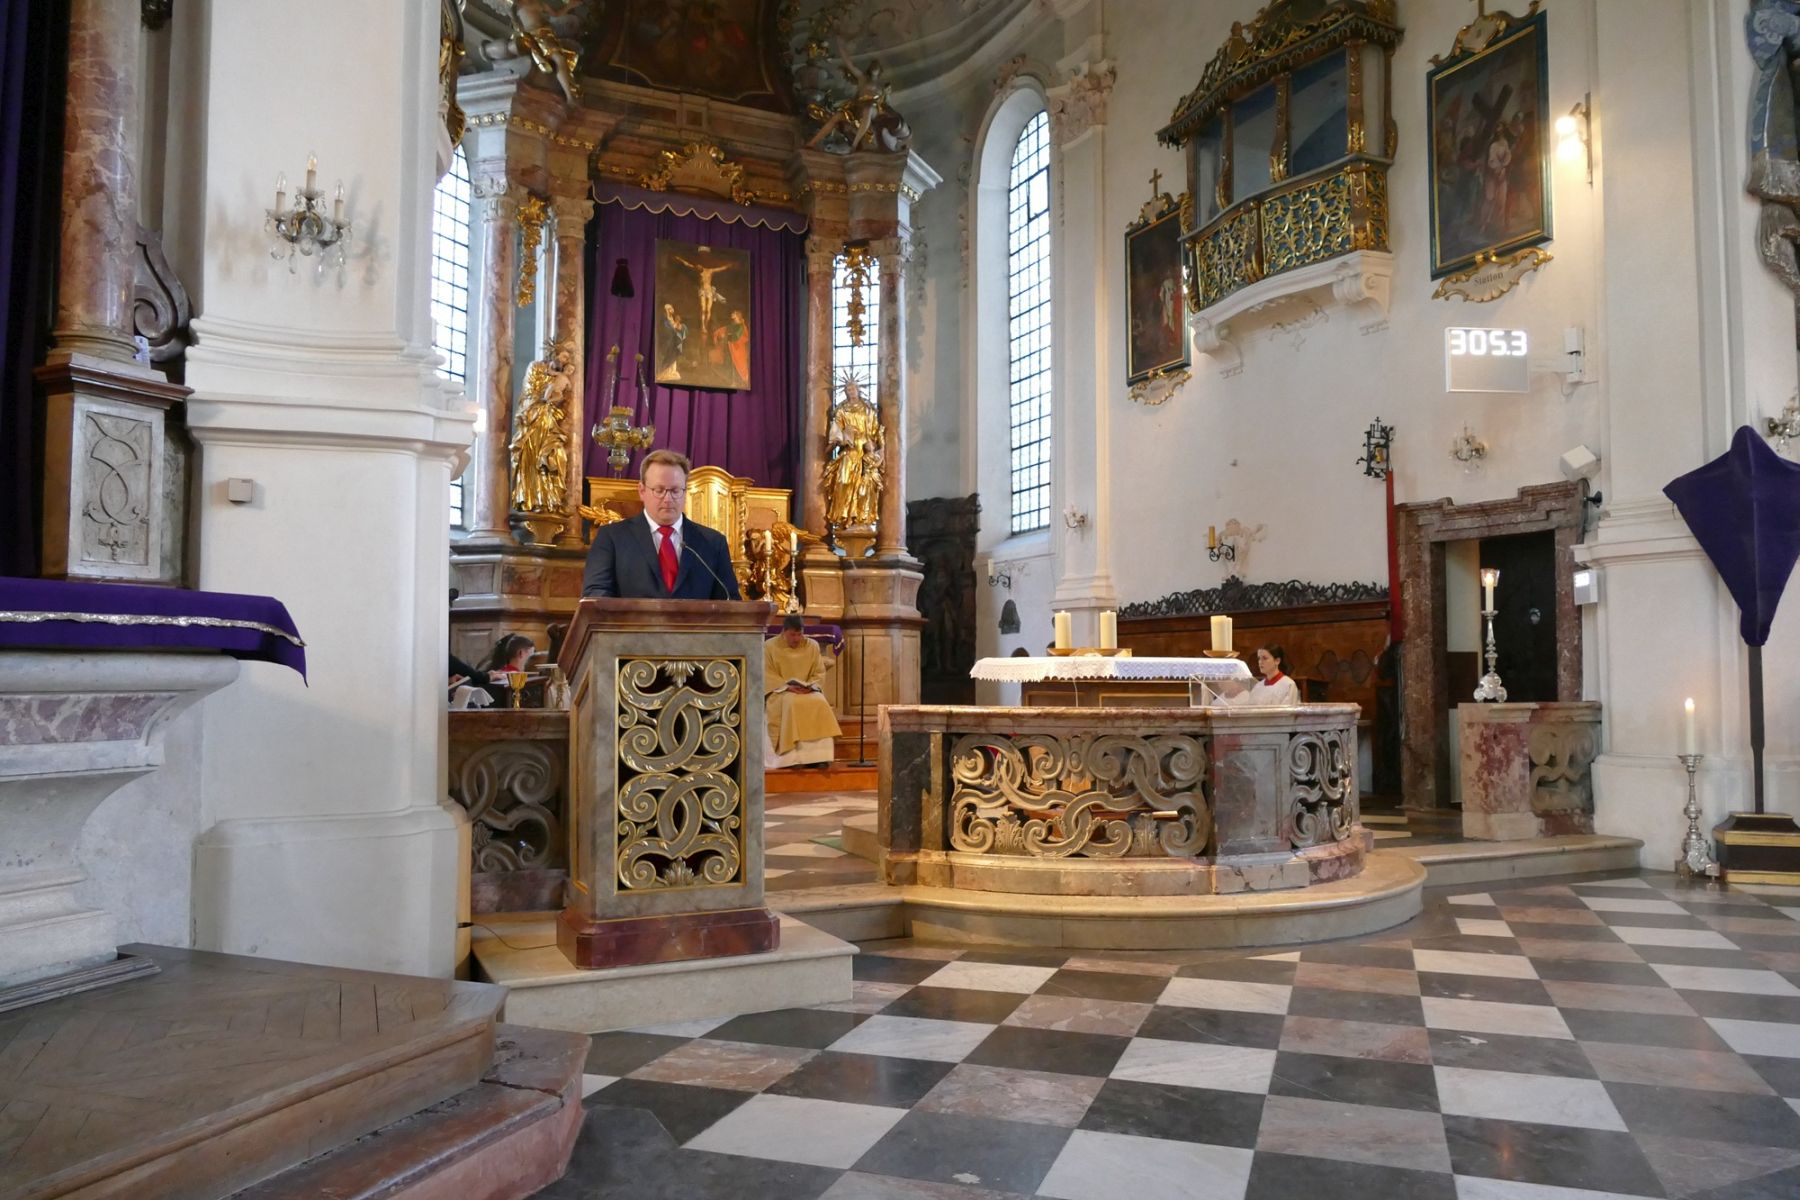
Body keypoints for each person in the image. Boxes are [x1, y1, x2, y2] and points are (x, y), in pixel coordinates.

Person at [581, 448, 742, 600]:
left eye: (675, 491)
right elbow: (595, 596)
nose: (668, 499)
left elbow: (729, 601)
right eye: (659, 490)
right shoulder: (612, 538)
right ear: (642, 491)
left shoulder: (713, 543)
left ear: (685, 492)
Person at [763, 614, 841, 766]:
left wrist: (811, 686)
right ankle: (793, 758)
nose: (797, 639)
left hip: (807, 690)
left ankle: (820, 757)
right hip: (781, 691)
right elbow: (767, 673)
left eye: (799, 634)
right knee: (793, 703)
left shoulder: (812, 646)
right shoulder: (770, 646)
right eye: (792, 635)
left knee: (820, 703)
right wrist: (787, 687)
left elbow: (819, 672)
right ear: (784, 632)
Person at [1221, 643, 1302, 707]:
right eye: (1259, 658)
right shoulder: (1258, 687)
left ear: (1277, 661)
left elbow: (1289, 715)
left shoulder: (1288, 685)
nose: (1260, 662)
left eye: (1265, 658)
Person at [479, 633, 536, 705]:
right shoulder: (517, 679)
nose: (534, 659)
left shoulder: (498, 672)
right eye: (532, 655)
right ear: (521, 653)